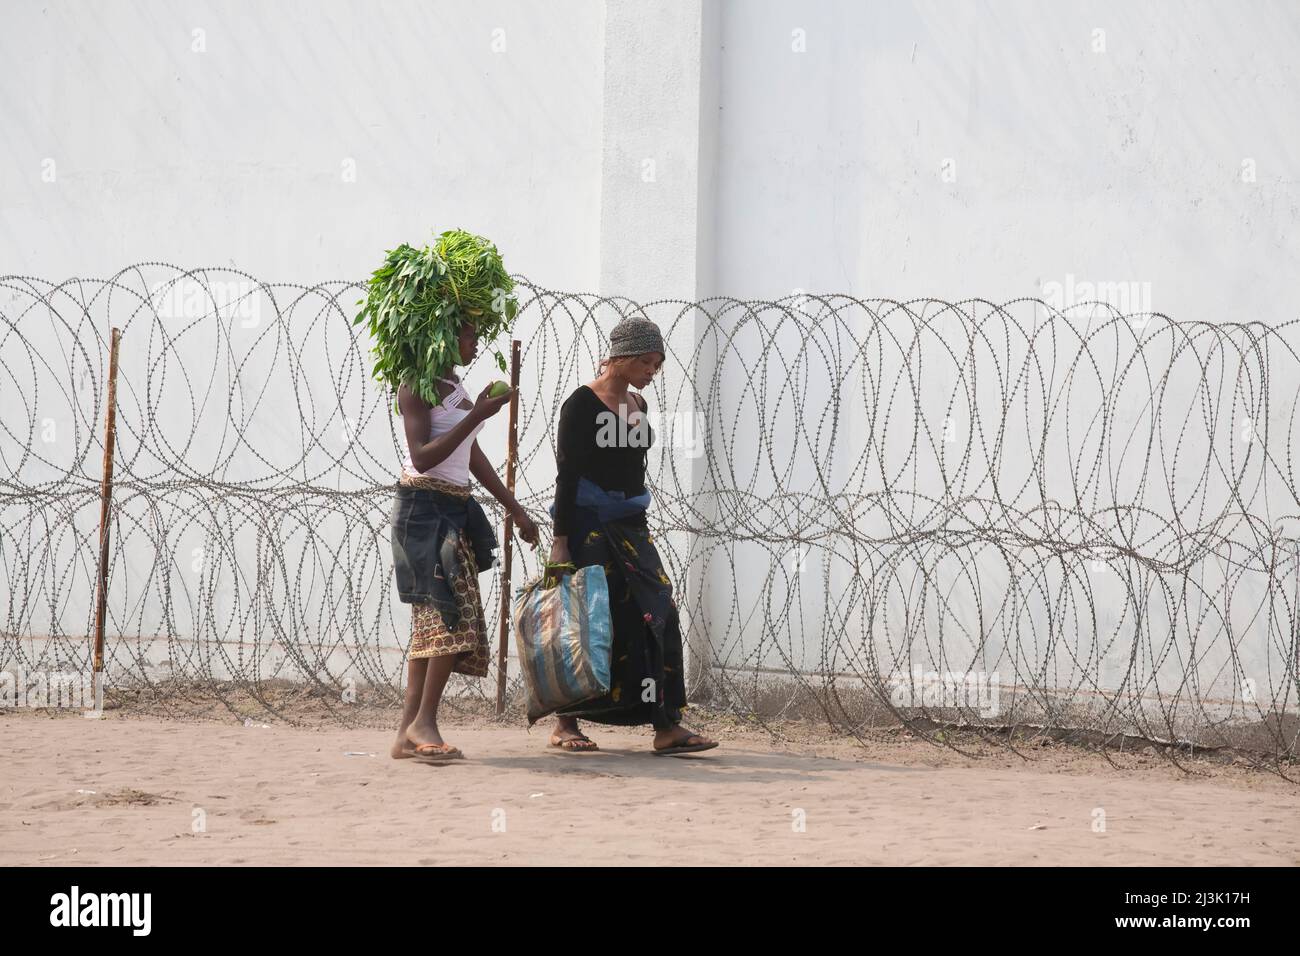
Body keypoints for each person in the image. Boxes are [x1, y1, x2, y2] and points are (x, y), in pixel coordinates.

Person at [546, 317, 718, 756]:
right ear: (620, 357)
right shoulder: (581, 406)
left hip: (630, 526)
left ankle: (665, 723)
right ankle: (565, 723)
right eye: (645, 361)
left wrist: (637, 520)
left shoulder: (638, 404)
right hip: (587, 526)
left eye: (657, 364)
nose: (651, 371)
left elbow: (633, 469)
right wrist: (561, 540)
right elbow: (567, 477)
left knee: (657, 610)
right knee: (588, 618)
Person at [390, 320, 539, 763]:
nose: (476, 343)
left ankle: (406, 733)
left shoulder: (453, 384)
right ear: (441, 335)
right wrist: (478, 414)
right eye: (469, 336)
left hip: (455, 506)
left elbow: (468, 453)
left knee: (433, 621)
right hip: (423, 508)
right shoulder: (415, 386)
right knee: (453, 614)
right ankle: (424, 723)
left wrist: (514, 507)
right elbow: (422, 456)